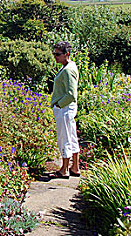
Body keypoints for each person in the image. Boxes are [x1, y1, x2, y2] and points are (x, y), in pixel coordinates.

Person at [49, 41, 80, 179]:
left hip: (65, 108)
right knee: (72, 136)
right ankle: (75, 167)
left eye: (58, 54)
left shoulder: (68, 70)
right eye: (54, 53)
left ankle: (64, 169)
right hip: (67, 108)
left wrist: (59, 105)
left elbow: (71, 94)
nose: (55, 56)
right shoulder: (69, 66)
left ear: (66, 54)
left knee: (64, 137)